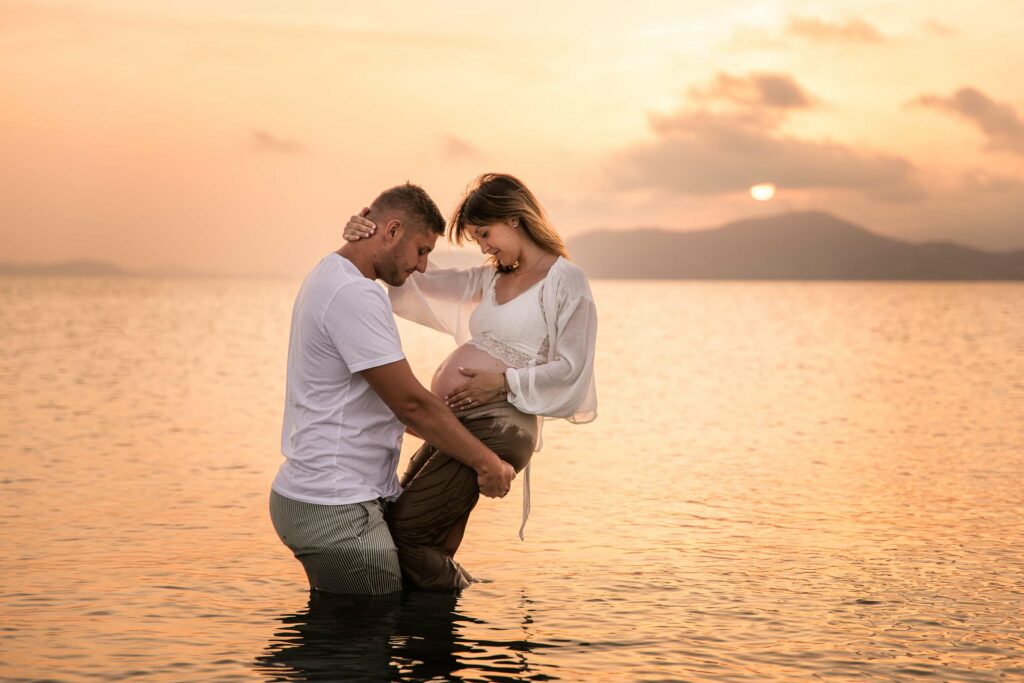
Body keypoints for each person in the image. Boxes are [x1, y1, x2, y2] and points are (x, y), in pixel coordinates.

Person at [343, 173, 597, 590]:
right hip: (461, 424)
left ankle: (445, 606)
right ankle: (442, 614)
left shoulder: (566, 281)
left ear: (514, 218)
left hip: (501, 426)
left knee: (407, 533)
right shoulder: (490, 278)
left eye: (484, 234)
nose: (483, 248)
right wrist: (370, 237)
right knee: (404, 523)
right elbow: (415, 274)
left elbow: (573, 367)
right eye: (477, 240)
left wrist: (502, 384)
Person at [270, 182, 515, 596]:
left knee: (369, 620)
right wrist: (486, 461)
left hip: (331, 497)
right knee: (372, 625)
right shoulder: (353, 293)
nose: (422, 266)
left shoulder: (332, 274)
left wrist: (459, 438)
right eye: (421, 250)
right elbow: (410, 404)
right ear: (393, 230)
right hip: (333, 506)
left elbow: (383, 405)